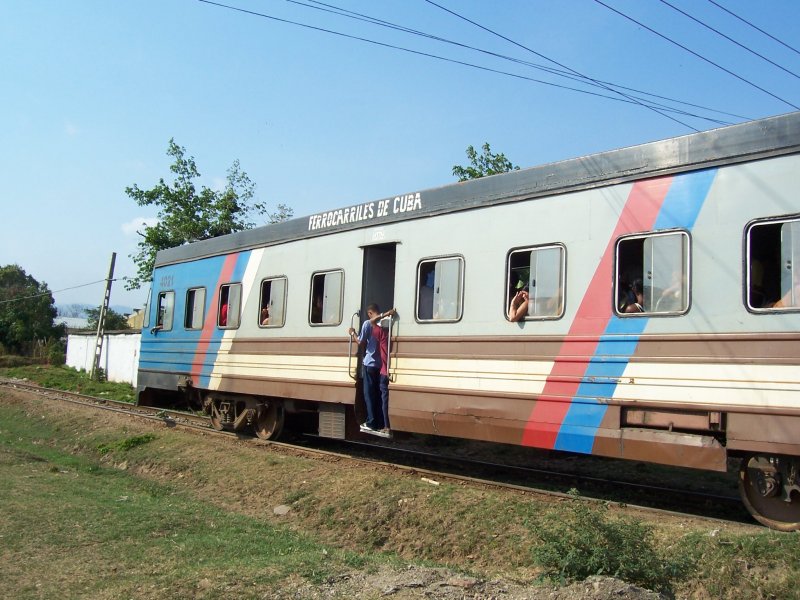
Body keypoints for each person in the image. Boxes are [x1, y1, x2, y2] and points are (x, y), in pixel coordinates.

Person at [348, 303, 384, 434]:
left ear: (370, 313)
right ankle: (379, 422)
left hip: (369, 364)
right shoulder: (384, 323)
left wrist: (353, 334)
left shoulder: (367, 324)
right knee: (378, 394)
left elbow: (361, 342)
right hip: (380, 365)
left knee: (368, 395)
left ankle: (370, 422)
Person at [371, 307, 396, 436]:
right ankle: (387, 424)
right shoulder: (388, 336)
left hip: (383, 372)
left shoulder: (380, 334)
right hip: (389, 370)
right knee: (386, 399)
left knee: (383, 399)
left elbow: (372, 321)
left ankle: (386, 426)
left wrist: (386, 313)